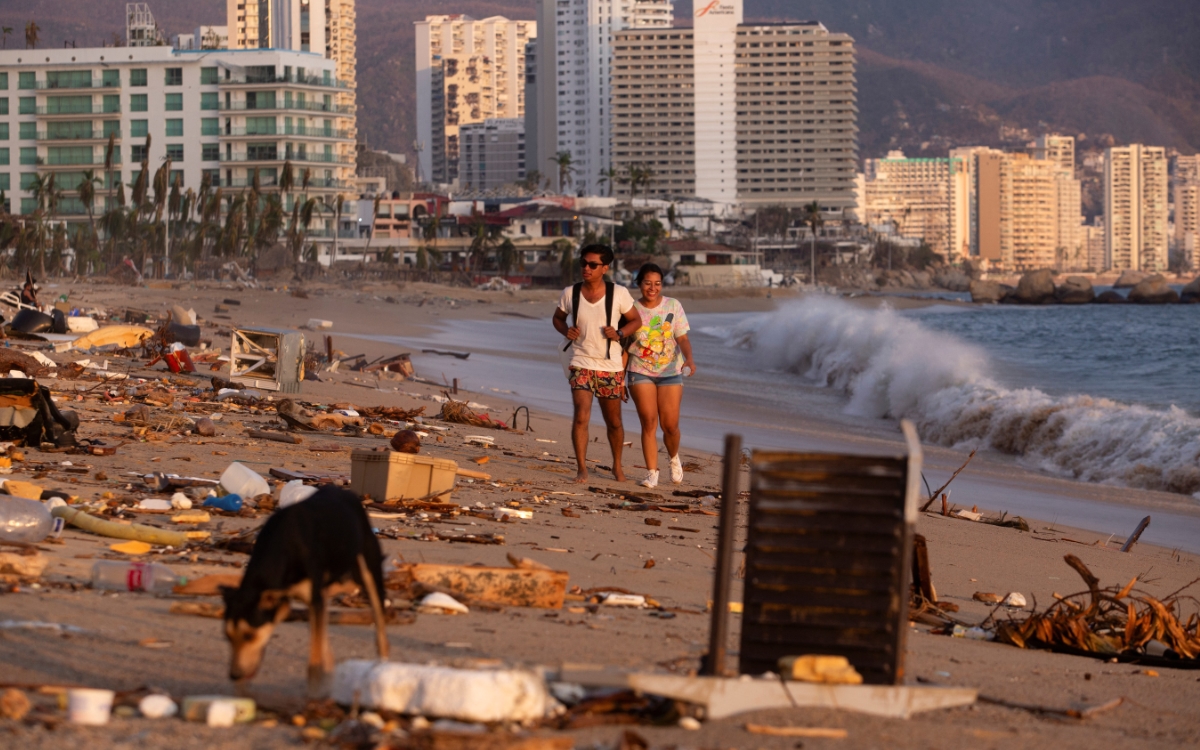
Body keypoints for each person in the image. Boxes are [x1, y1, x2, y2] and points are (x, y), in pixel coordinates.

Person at [552, 244, 641, 483]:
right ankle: (581, 468)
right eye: (583, 263)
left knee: (614, 422)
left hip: (610, 366)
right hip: (580, 362)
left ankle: (617, 467)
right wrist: (566, 331)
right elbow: (558, 318)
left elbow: (636, 321)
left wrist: (620, 333)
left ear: (605, 268)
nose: (586, 268)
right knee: (581, 415)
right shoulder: (571, 293)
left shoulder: (619, 293)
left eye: (593, 265)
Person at [626, 263, 696, 488]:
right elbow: (624, 344)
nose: (652, 288)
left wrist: (689, 358)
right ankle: (651, 473)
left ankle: (674, 458)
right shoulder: (630, 309)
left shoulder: (673, 305)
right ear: (639, 284)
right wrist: (618, 378)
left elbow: (682, 338)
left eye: (657, 283)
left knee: (670, 426)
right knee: (648, 421)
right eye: (647, 283)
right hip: (640, 370)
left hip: (670, 372)